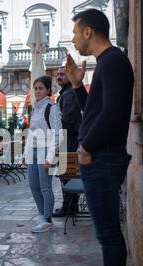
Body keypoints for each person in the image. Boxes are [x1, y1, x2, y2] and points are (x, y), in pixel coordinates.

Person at [65, 9, 134, 266]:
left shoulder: (113, 61)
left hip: (102, 159)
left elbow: (111, 115)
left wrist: (85, 148)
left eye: (76, 32)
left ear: (89, 32)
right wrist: (79, 86)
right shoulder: (106, 63)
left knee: (108, 234)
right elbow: (94, 114)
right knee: (106, 233)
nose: (73, 38)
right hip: (100, 157)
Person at [24, 76, 62, 233]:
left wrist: (51, 157)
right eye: (36, 88)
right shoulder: (35, 107)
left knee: (45, 187)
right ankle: (42, 214)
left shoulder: (52, 108)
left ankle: (47, 220)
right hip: (33, 150)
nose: (38, 91)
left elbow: (58, 133)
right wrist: (26, 154)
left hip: (46, 149)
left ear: (48, 90)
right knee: (34, 185)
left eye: (41, 88)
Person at [53, 66, 82, 217]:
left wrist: (54, 125)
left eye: (62, 74)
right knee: (67, 173)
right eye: (57, 74)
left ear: (69, 76)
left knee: (66, 174)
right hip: (69, 138)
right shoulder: (66, 93)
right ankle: (71, 205)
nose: (59, 76)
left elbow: (68, 120)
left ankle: (68, 207)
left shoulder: (69, 94)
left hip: (69, 139)